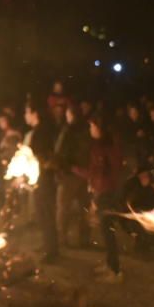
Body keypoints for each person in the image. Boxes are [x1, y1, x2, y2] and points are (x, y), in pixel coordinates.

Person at [83, 117, 124, 282]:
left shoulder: (108, 147)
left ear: (100, 128)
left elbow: (108, 172)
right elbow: (95, 169)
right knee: (104, 230)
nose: (90, 129)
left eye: (93, 126)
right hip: (102, 191)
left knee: (108, 231)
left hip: (107, 192)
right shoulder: (98, 146)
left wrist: (99, 193)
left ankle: (115, 271)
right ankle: (109, 264)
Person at [24, 104, 59, 262]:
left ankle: (52, 252)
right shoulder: (40, 131)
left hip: (43, 178)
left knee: (46, 214)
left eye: (27, 112)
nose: (25, 115)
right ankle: (48, 245)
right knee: (43, 214)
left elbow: (40, 156)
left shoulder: (41, 133)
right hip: (41, 177)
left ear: (34, 113)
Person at [54, 105, 91, 248]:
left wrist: (64, 169)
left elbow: (59, 152)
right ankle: (84, 239)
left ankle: (63, 239)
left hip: (70, 174)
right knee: (83, 209)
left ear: (70, 115)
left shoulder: (68, 130)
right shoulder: (86, 129)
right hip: (82, 174)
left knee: (64, 208)